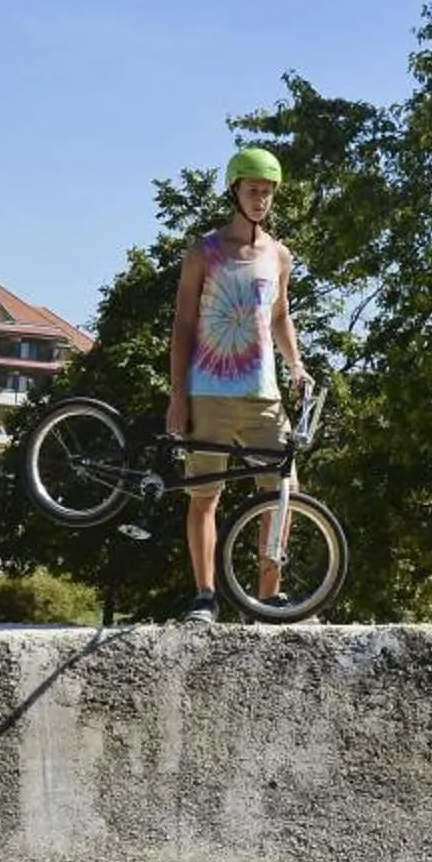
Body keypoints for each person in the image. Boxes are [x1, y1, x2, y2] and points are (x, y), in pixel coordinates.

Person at [166, 146, 310, 622]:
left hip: (262, 394)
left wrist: (297, 365)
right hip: (209, 391)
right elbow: (183, 326)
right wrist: (177, 397)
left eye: (268, 192)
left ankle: (267, 598)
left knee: (284, 489)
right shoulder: (204, 251)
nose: (261, 200)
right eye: (253, 190)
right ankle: (204, 597)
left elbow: (281, 317)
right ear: (234, 191)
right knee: (204, 495)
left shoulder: (279, 254)